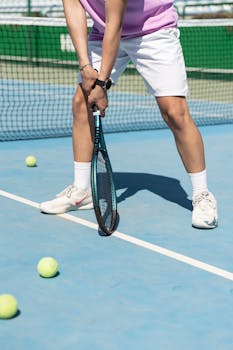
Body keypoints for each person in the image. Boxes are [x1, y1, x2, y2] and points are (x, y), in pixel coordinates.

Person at [40, 0, 218, 229]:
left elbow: (116, 23)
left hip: (153, 30)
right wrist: (86, 68)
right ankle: (82, 190)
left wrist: (101, 83)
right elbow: (74, 8)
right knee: (81, 102)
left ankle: (202, 195)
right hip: (103, 31)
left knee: (174, 111)